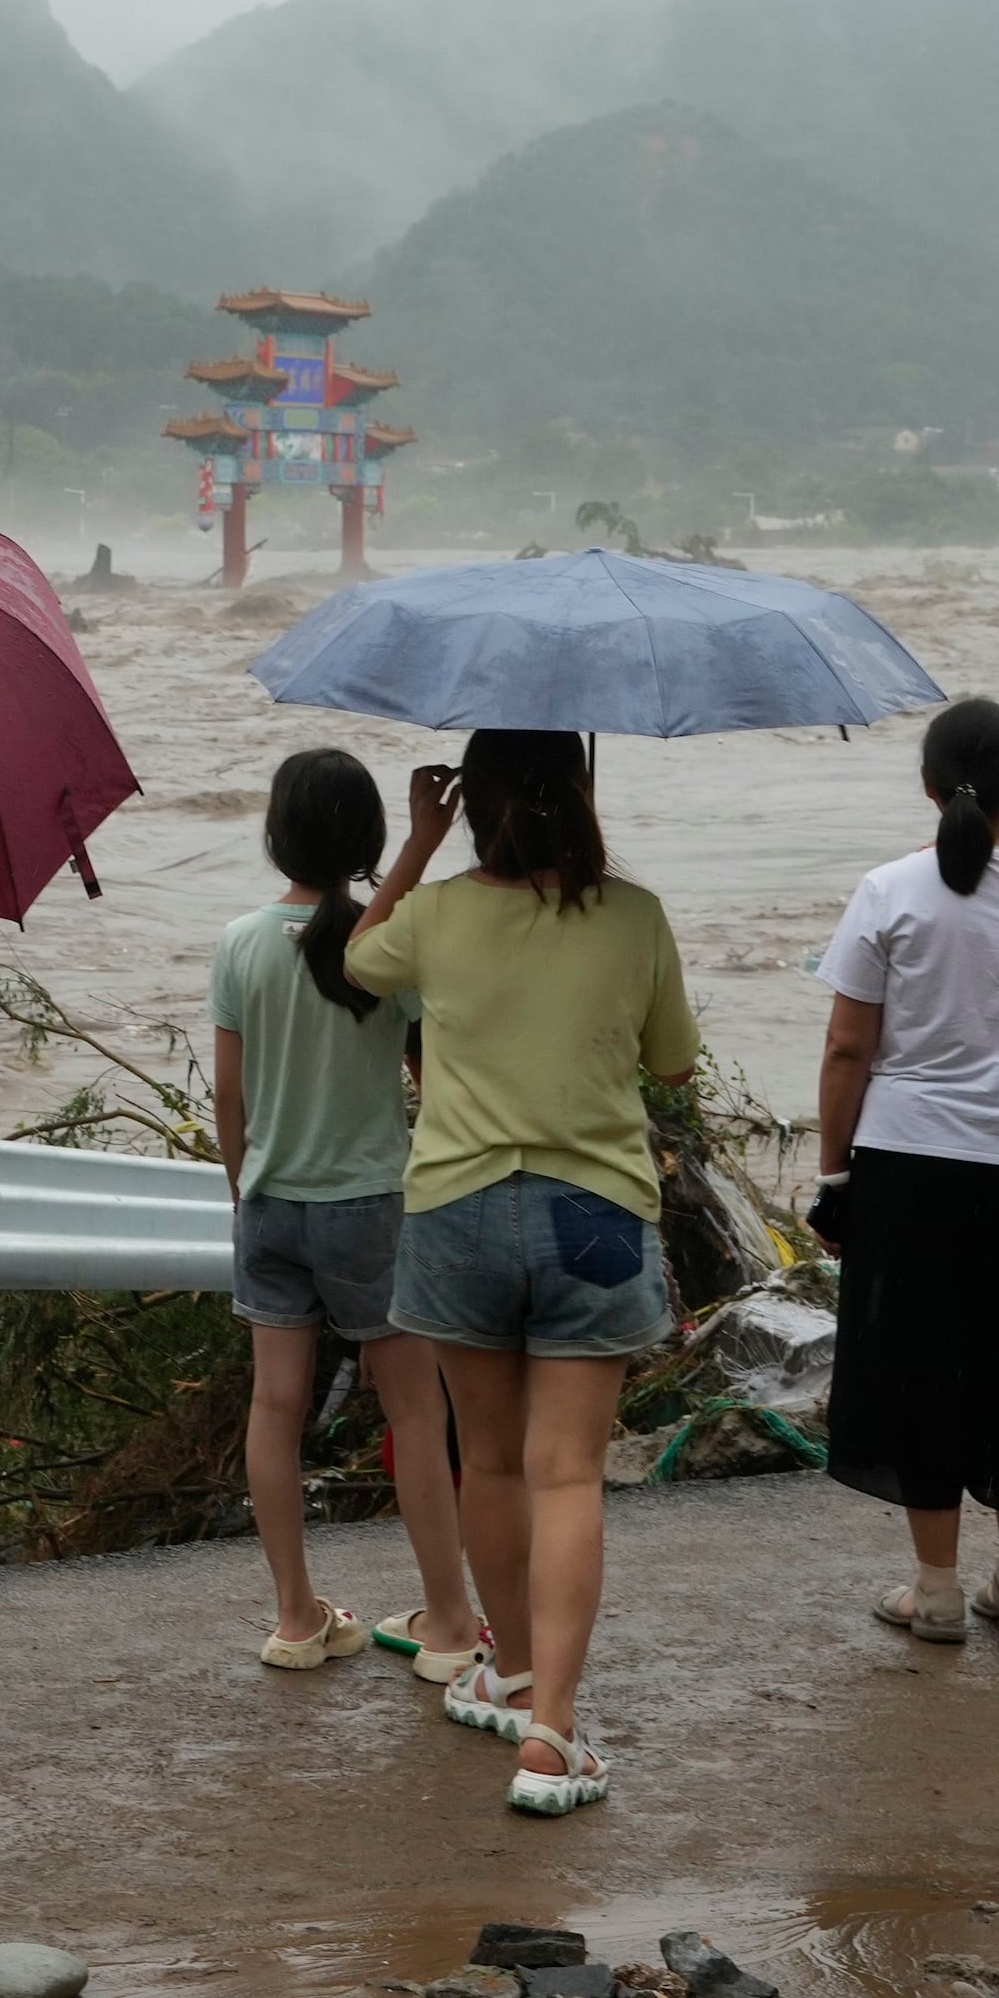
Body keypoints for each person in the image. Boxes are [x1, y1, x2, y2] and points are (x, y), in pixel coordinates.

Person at [348, 731, 702, 1813]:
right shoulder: (633, 915)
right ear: (580, 789)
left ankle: (508, 1675)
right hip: (593, 1212)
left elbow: (358, 961)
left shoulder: (437, 913)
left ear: (475, 802)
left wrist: (418, 842)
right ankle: (550, 1730)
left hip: (456, 1208)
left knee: (490, 1462)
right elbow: (673, 1062)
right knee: (567, 1476)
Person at [811, 696, 999, 1646]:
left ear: (928, 786)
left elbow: (848, 1050)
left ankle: (935, 1589)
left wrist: (834, 1175)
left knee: (920, 1368)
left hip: (910, 1164)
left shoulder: (888, 890)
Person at [210, 747, 479, 1681]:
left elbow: (231, 1096)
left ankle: (296, 1619)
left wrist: (244, 1189)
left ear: (275, 834)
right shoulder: (389, 948)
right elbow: (436, 1085)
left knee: (274, 1408)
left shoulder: (241, 943)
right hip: (370, 1205)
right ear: (367, 838)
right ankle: (450, 1623)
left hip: (271, 1203)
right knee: (416, 1411)